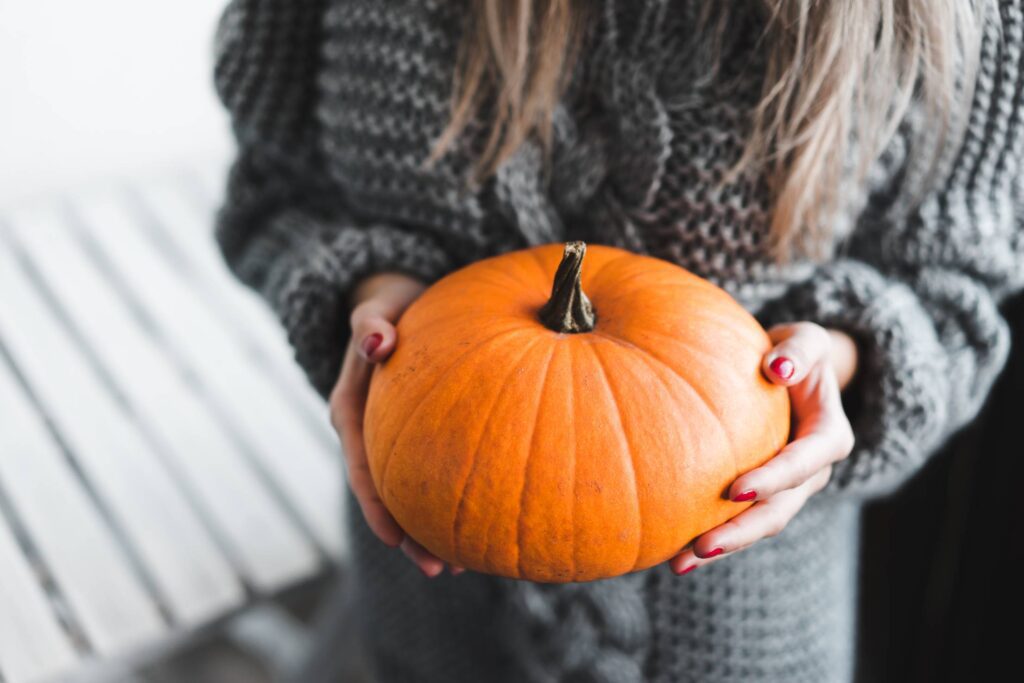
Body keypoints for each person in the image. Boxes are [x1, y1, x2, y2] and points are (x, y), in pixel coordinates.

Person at [212, 1, 1024, 681]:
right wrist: (365, 290)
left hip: (740, 636)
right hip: (430, 606)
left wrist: (839, 361)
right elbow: (277, 188)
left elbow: (957, 287)